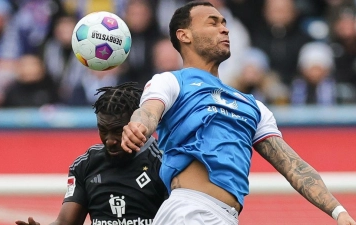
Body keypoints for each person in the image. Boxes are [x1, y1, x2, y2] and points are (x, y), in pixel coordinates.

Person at [120, 2, 356, 225]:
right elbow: (148, 112)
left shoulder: (253, 106)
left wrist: (338, 212)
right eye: (212, 23)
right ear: (184, 35)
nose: (224, 29)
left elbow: (294, 166)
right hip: (190, 211)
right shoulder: (171, 82)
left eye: (224, 23)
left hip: (226, 216)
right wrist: (138, 127)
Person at [16, 82, 167, 225]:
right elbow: (66, 222)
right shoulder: (85, 165)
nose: (109, 140)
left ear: (136, 124)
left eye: (117, 131)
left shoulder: (163, 163)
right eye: (103, 130)